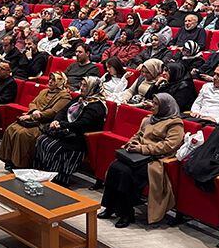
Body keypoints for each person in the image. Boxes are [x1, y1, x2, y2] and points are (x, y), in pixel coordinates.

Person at [98, 93, 184, 228]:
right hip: (137, 155)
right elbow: (138, 135)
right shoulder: (149, 119)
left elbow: (168, 146)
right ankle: (110, 207)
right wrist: (131, 144)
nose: (152, 106)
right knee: (115, 167)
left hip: (155, 159)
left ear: (165, 107)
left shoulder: (175, 124)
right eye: (153, 102)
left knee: (126, 173)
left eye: (156, 104)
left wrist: (142, 148)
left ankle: (126, 213)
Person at [32, 77, 107, 185]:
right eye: (81, 84)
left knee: (53, 147)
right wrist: (56, 120)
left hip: (79, 138)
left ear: (93, 88)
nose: (81, 88)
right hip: (66, 131)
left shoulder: (97, 106)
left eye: (85, 85)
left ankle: (57, 179)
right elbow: (63, 111)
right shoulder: (80, 98)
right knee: (41, 140)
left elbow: (82, 124)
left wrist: (61, 124)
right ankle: (40, 173)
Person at [0, 72, 71, 171]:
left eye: (53, 80)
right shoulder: (44, 91)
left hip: (45, 123)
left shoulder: (65, 96)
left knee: (23, 134)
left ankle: (20, 164)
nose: (50, 81)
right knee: (11, 128)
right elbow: (33, 103)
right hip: (33, 117)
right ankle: (9, 160)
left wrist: (37, 115)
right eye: (50, 78)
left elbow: (54, 112)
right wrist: (34, 111)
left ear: (60, 82)